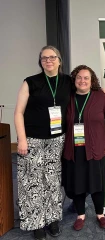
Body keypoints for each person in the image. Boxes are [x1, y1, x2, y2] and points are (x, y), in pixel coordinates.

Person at [14, 46, 70, 240]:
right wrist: (21, 139)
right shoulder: (30, 82)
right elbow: (19, 112)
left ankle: (52, 219)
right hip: (33, 139)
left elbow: (86, 87)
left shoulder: (67, 81)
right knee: (32, 182)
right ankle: (35, 222)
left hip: (57, 139)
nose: (48, 60)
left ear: (59, 60)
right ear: (40, 61)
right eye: (44, 58)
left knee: (53, 181)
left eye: (52, 57)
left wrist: (101, 89)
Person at [62, 65, 105, 230]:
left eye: (86, 78)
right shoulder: (67, 97)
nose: (82, 81)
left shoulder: (102, 97)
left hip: (96, 148)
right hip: (74, 149)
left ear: (92, 80)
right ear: (74, 80)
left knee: (97, 184)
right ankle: (80, 215)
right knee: (77, 184)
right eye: (79, 77)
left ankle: (100, 214)